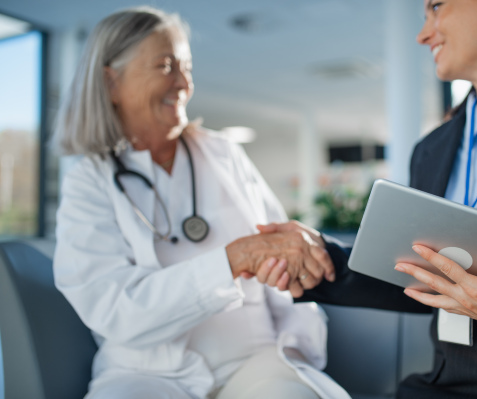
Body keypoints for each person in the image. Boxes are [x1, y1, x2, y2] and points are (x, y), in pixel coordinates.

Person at [256, 0, 477, 397]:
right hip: (446, 386)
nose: (423, 34)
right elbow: (424, 275)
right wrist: (317, 259)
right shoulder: (433, 149)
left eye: (436, 6)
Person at [52, 6, 350, 399]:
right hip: (144, 374)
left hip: (254, 361)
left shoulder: (223, 154)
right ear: (111, 82)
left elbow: (284, 262)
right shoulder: (89, 181)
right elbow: (114, 308)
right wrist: (232, 259)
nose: (183, 83)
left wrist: (294, 342)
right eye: (165, 66)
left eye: (187, 67)